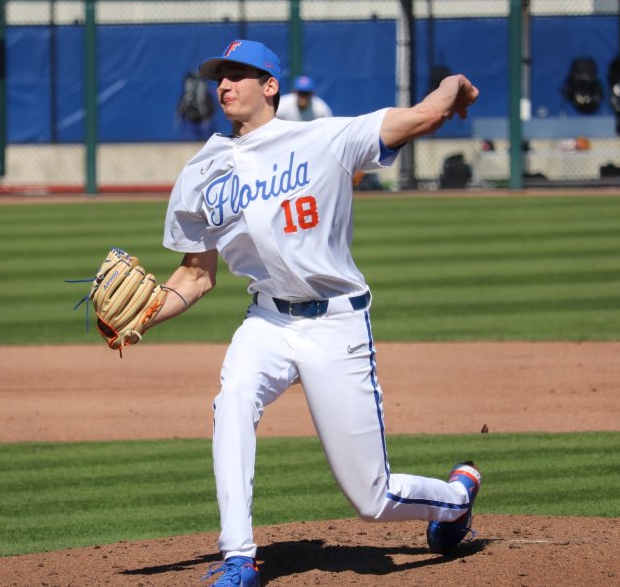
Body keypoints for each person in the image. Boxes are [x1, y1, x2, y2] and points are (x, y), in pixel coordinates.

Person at [142, 39, 481, 586]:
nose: (223, 84)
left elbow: (425, 115)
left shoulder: (325, 139)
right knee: (233, 401)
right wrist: (140, 317)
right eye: (219, 76)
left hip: (336, 324)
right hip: (267, 321)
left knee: (372, 499)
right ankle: (239, 558)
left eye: (237, 74)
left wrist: (454, 85)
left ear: (270, 86)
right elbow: (196, 275)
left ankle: (456, 500)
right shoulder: (201, 171)